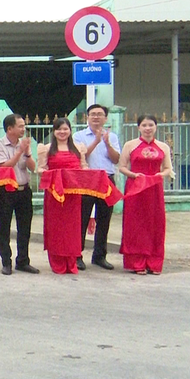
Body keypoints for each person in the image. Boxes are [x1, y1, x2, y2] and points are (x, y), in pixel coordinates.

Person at [119, 115, 173, 275]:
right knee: (135, 225)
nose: (148, 128)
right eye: (144, 125)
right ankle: (137, 262)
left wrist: (160, 176)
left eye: (151, 125)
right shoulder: (130, 145)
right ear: (139, 128)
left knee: (155, 223)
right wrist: (134, 175)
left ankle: (154, 262)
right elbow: (122, 166)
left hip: (154, 189)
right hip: (135, 188)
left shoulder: (163, 147)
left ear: (156, 127)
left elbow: (167, 168)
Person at [36, 118, 88, 274]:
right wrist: (55, 175)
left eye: (65, 129)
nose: (62, 132)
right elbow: (40, 169)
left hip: (73, 195)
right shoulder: (46, 148)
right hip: (55, 195)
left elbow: (84, 167)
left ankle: (71, 262)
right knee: (57, 229)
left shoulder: (79, 148)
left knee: (72, 229)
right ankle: (57, 262)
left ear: (70, 130)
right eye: (59, 129)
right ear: (54, 131)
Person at [73, 104, 121, 271]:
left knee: (104, 219)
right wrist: (96, 141)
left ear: (105, 118)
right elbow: (81, 156)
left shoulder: (112, 137)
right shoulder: (79, 136)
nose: (96, 117)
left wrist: (107, 143)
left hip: (106, 179)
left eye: (100, 114)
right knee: (82, 218)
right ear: (87, 117)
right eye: (93, 114)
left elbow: (115, 160)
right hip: (87, 180)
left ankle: (100, 255)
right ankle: (77, 255)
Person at [0, 114, 39, 275]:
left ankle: (23, 261)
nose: (23, 129)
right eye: (20, 126)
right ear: (10, 128)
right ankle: (6, 262)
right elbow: (6, 166)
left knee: (24, 227)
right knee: (5, 226)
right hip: (6, 191)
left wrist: (27, 153)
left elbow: (33, 167)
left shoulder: (24, 144)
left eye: (24, 126)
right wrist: (20, 151)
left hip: (24, 189)